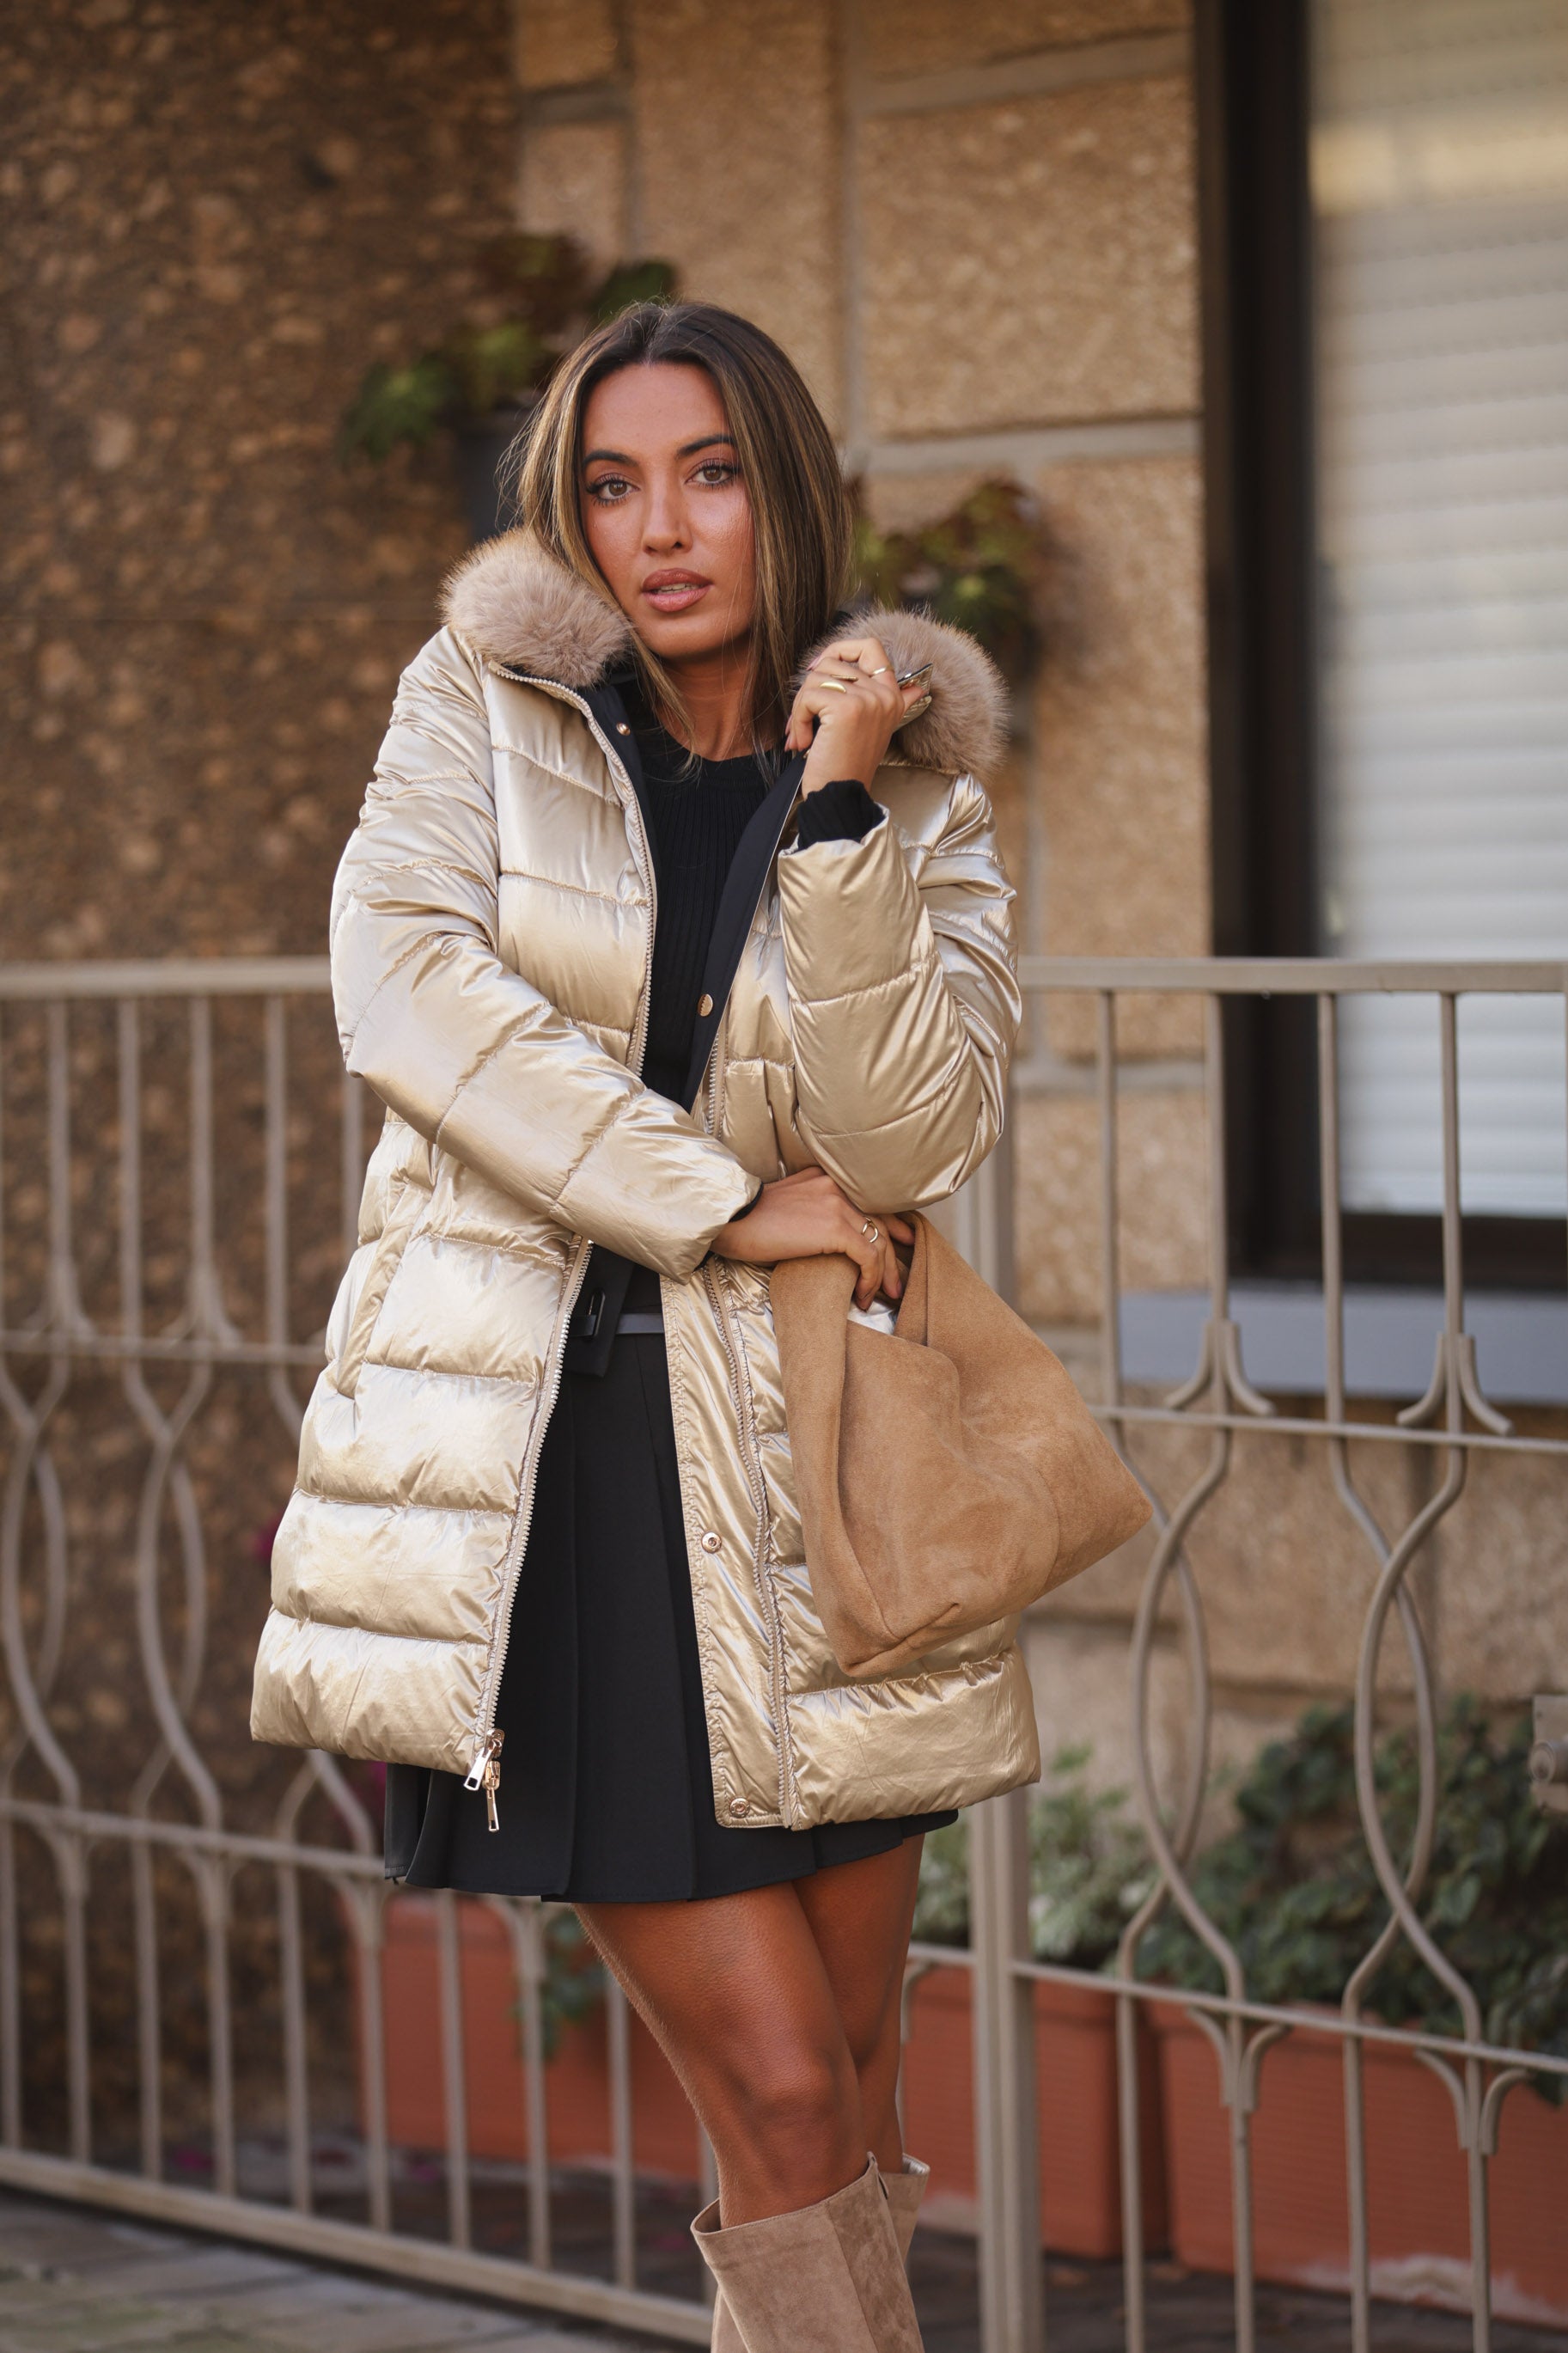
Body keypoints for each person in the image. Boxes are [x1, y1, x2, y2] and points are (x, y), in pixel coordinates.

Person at [252, 299, 1040, 2351]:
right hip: (565, 1471)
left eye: (705, 475)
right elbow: (405, 988)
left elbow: (916, 1130)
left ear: (783, 490)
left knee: (847, 2088)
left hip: (810, 1470)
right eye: (612, 484)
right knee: (779, 2090)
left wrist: (840, 808)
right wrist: (715, 1197)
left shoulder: (915, 787)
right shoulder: (484, 702)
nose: (659, 529)